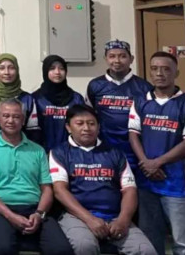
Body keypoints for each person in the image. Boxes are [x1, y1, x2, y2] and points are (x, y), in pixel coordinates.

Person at [50, 104, 156, 255]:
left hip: (115, 217)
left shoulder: (115, 153)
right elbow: (60, 191)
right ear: (68, 127)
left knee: (146, 250)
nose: (86, 128)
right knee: (85, 246)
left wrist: (123, 220)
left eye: (91, 123)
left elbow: (129, 190)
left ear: (99, 127)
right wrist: (89, 219)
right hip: (77, 217)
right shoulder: (59, 153)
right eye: (79, 123)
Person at [0, 99, 72, 255]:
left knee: (61, 250)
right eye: (6, 116)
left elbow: (47, 189)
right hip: (1, 210)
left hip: (35, 209)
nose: (10, 120)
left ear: (23, 120)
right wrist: (11, 216)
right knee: (2, 249)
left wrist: (39, 214)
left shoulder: (38, 150)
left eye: (16, 116)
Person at [128, 51, 185, 255]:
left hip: (177, 183)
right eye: (154, 69)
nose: (159, 73)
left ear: (176, 73)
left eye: (166, 69)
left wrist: (157, 163)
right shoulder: (140, 101)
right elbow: (133, 134)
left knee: (181, 242)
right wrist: (146, 163)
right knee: (151, 239)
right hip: (147, 182)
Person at [87, 40, 152, 171]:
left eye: (122, 56)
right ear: (105, 59)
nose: (117, 61)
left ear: (131, 59)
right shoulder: (95, 85)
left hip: (135, 150)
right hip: (104, 149)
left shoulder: (144, 87)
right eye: (112, 56)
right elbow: (89, 115)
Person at [33, 55, 85, 151]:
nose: (57, 72)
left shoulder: (76, 98)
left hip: (71, 153)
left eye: (61, 68)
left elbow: (82, 127)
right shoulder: (35, 98)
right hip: (42, 152)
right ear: (45, 71)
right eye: (52, 68)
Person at [0, 53, 38, 141]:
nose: (6, 72)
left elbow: (33, 132)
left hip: (21, 147)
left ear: (17, 70)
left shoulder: (27, 99)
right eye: (2, 68)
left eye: (11, 68)